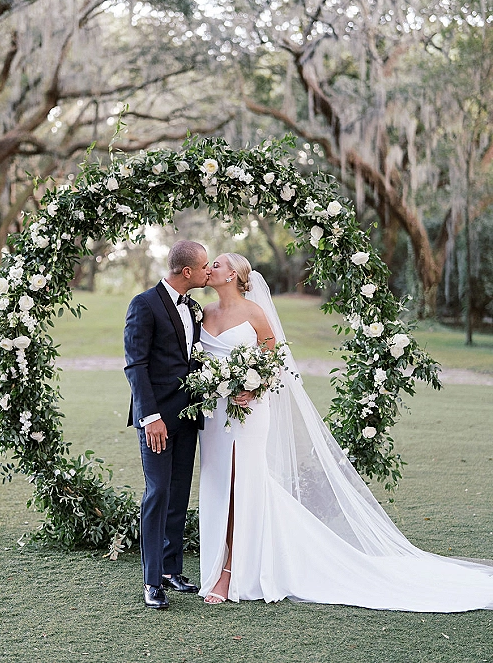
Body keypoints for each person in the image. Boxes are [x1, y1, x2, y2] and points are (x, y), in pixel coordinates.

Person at [198, 253, 493, 611]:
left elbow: (275, 363)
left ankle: (232, 571)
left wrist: (252, 388)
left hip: (249, 410)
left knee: (241, 481)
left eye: (216, 264)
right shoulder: (204, 313)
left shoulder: (255, 313)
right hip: (214, 414)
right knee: (218, 482)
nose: (208, 268)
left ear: (233, 275)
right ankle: (228, 559)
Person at [124, 240, 211, 609]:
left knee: (177, 495)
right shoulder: (143, 305)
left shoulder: (194, 307)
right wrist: (150, 418)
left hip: (189, 416)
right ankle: (151, 582)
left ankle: (171, 570)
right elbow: (136, 365)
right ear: (187, 271)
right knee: (157, 493)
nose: (210, 272)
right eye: (205, 267)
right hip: (156, 420)